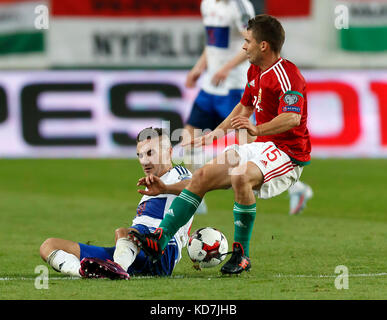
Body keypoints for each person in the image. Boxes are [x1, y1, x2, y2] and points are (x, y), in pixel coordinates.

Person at [131, 14, 312, 275]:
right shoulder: (255, 71)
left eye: (247, 41)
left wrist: (257, 128)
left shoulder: (288, 75)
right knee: (202, 175)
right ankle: (158, 241)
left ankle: (241, 254)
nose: (243, 47)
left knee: (240, 176)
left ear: (263, 45)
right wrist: (214, 135)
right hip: (262, 146)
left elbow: (292, 117)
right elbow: (244, 107)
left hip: (288, 153)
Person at [39, 128, 193, 279]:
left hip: (161, 250)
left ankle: (117, 268)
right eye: (140, 155)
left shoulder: (177, 173)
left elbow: (194, 187)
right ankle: (82, 271)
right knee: (49, 245)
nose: (144, 161)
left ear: (169, 152)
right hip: (132, 250)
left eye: (150, 153)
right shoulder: (150, 186)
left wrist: (165, 188)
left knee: (124, 232)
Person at [182, 0, 255, 214]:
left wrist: (226, 68)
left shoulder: (240, 6)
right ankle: (196, 195)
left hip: (233, 86)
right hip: (210, 85)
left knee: (249, 144)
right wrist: (199, 68)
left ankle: (295, 188)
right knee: (189, 138)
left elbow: (252, 42)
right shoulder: (207, 4)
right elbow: (212, 43)